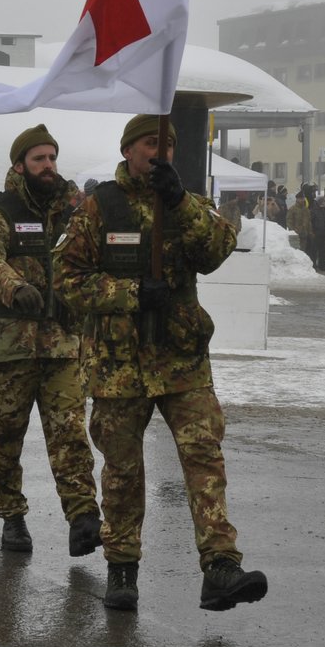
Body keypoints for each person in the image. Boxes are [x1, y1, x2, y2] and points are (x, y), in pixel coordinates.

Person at [54, 114, 266, 614]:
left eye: (167, 144)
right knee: (123, 471)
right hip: (117, 364)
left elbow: (218, 249)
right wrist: (128, 293)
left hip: (181, 359)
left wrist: (180, 202)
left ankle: (220, 567)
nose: (160, 152)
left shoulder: (188, 203)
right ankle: (121, 567)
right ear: (128, 150)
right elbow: (66, 279)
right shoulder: (97, 208)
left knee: (203, 458)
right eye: (150, 144)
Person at [0, 124, 101, 557]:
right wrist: (13, 286)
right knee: (6, 436)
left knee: (69, 433)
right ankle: (12, 513)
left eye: (52, 157)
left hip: (62, 345)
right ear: (20, 164)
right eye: (39, 158)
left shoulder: (75, 212)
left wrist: (80, 301)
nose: (48, 166)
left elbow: (90, 260)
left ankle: (82, 517)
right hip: (10, 345)